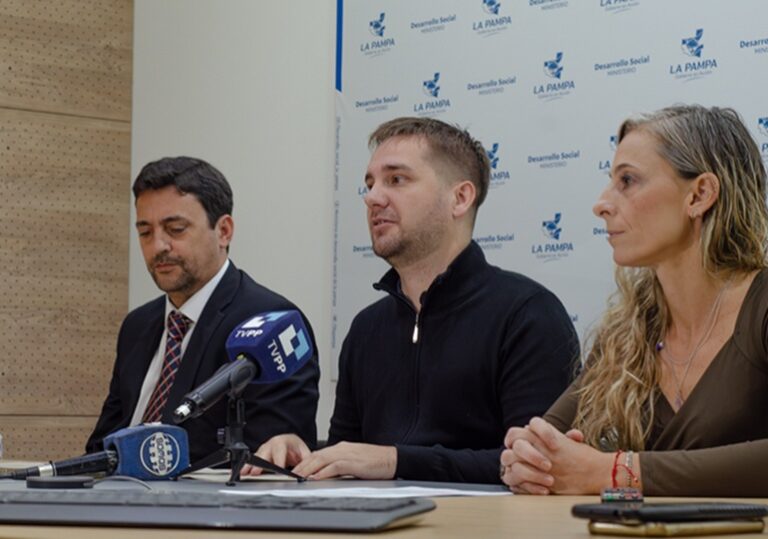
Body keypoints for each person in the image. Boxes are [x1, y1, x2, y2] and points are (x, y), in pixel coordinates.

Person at [245, 117, 578, 483]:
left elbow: (538, 464)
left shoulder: (528, 314)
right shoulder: (367, 328)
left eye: (396, 180)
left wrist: (396, 461)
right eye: (369, 184)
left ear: (460, 198)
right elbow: (348, 455)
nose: (372, 197)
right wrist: (304, 452)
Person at [501, 105, 768, 497]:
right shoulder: (627, 330)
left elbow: (599, 471)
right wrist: (526, 462)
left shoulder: (760, 306)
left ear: (699, 195)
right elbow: (543, 440)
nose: (601, 204)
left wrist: (616, 472)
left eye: (628, 180)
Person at [87, 156, 320, 463]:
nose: (158, 246)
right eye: (145, 232)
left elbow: (267, 458)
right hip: (116, 500)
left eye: (176, 229)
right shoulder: (138, 325)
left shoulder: (271, 322)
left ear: (223, 231)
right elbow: (100, 447)